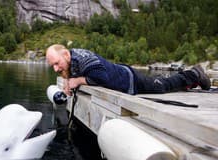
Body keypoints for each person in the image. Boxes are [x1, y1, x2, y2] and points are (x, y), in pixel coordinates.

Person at [45, 44, 211, 96]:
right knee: (159, 82)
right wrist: (67, 81)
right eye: (52, 65)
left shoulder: (84, 58)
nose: (55, 68)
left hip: (129, 79)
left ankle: (194, 74)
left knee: (162, 86)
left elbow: (101, 77)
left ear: (66, 54)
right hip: (124, 77)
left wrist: (78, 80)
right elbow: (70, 71)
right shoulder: (71, 60)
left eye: (57, 63)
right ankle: (188, 80)